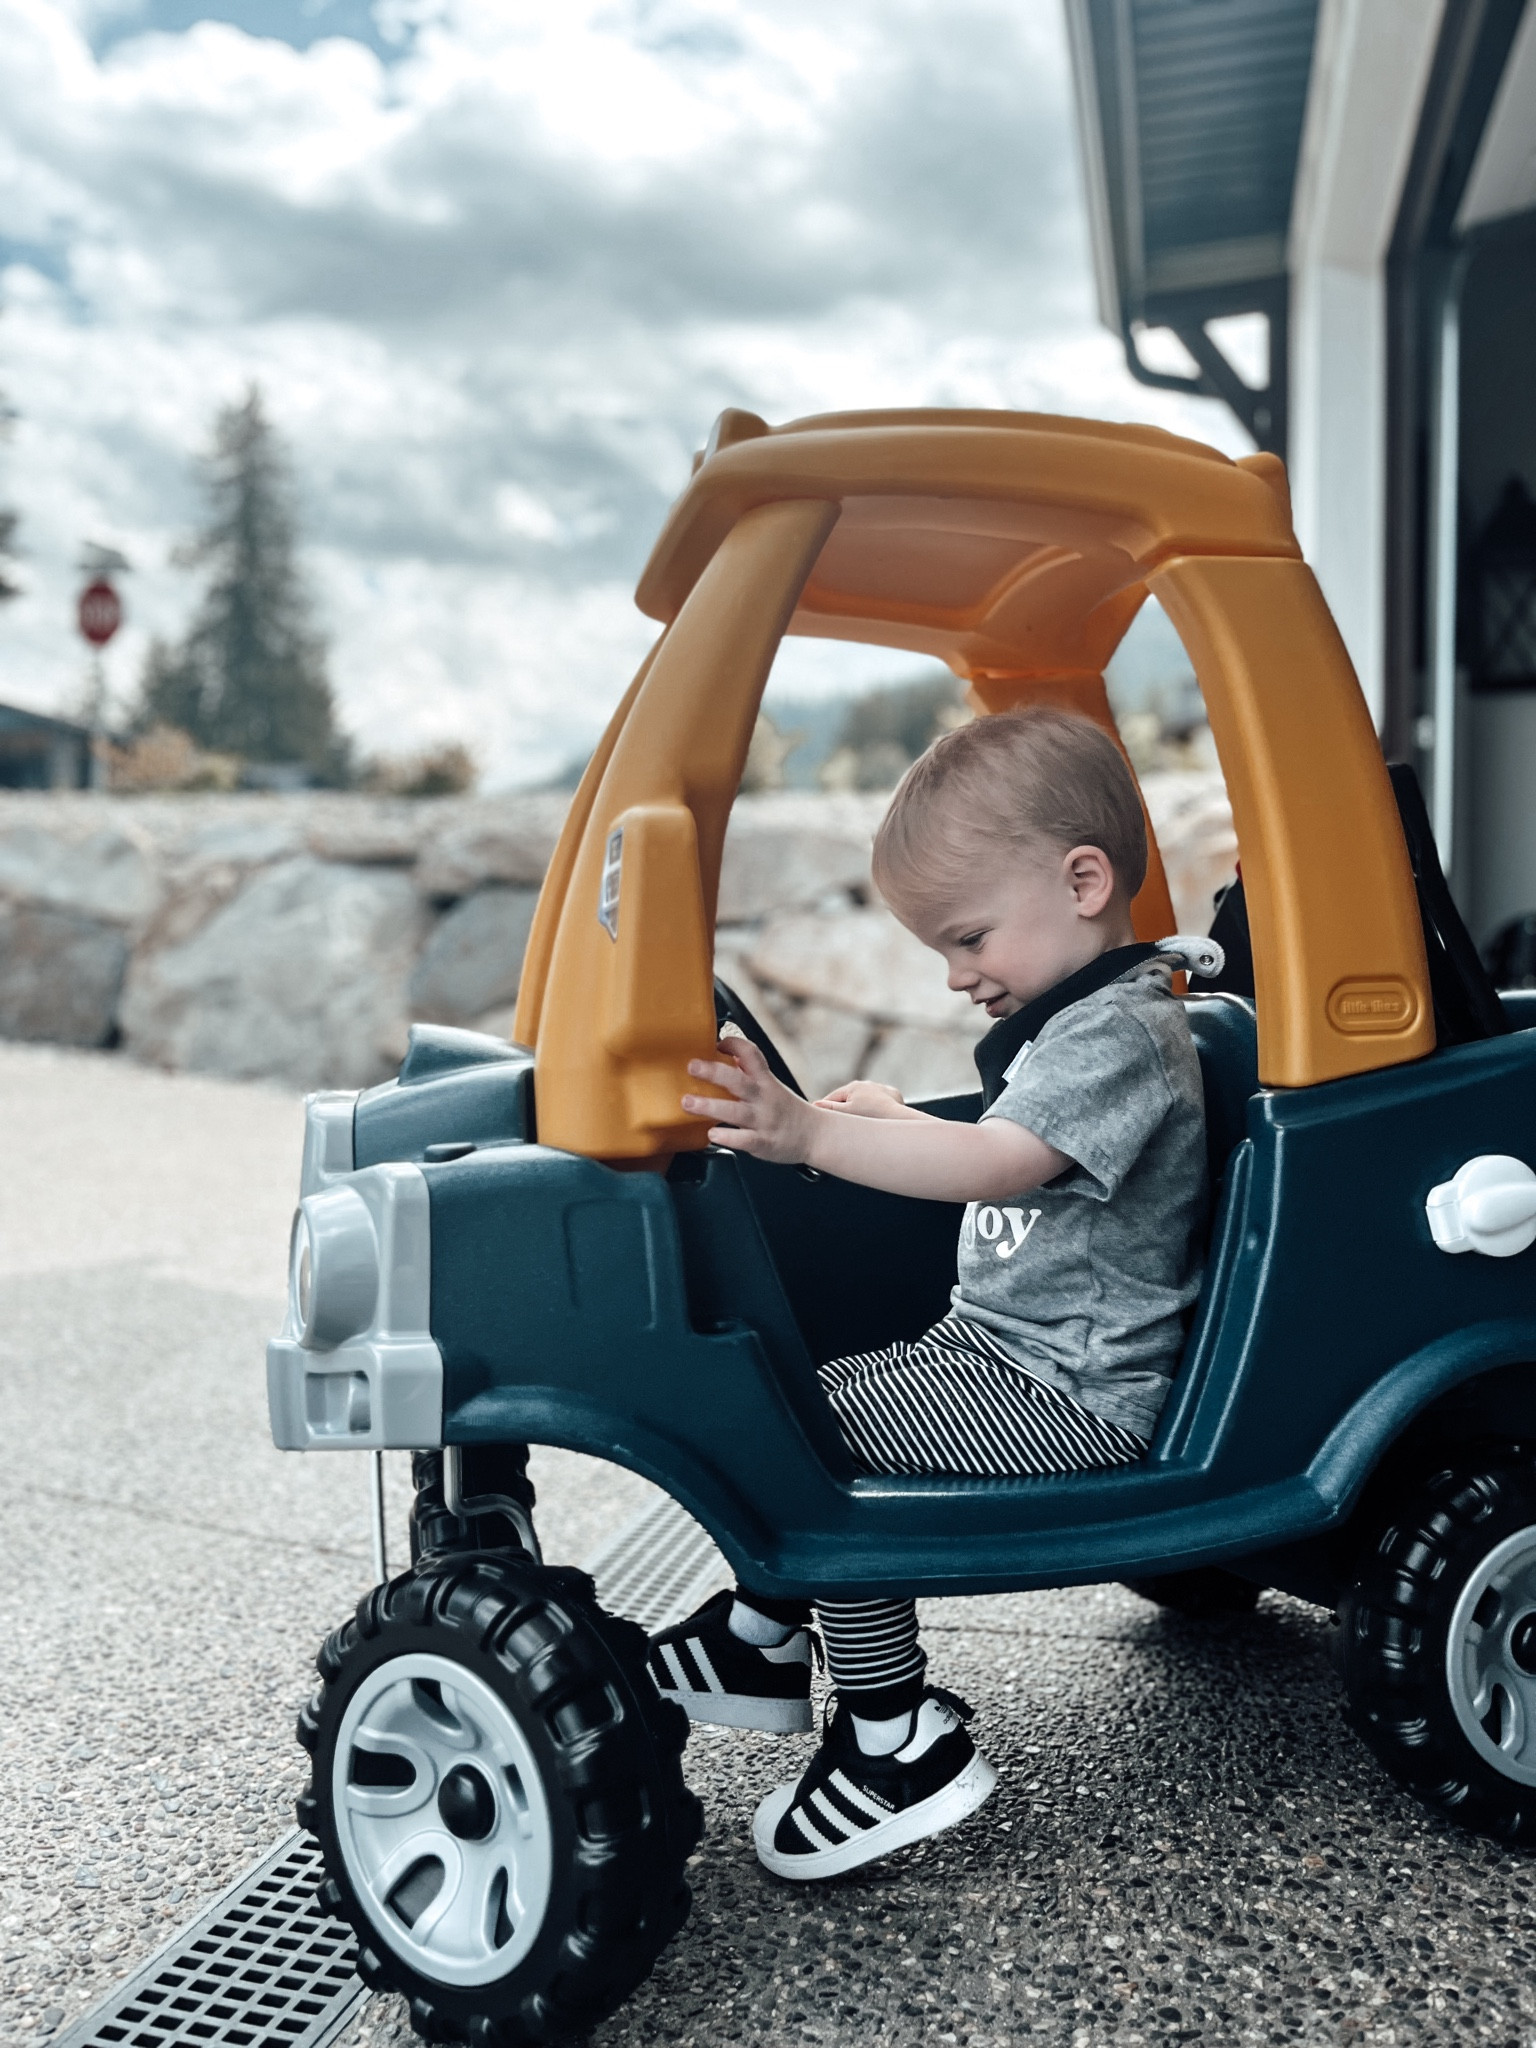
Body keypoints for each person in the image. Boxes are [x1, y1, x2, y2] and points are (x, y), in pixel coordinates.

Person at [647, 708, 1210, 1880]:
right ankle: (762, 1636)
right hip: (1000, 1356)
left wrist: (808, 1133)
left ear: (1084, 882)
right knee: (795, 1394)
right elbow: (1012, 1144)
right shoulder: (1077, 1018)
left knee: (820, 1434)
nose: (957, 976)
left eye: (970, 938)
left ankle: (897, 1736)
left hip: (1071, 1391)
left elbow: (1000, 1162)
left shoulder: (1122, 1033)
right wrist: (898, 1120)